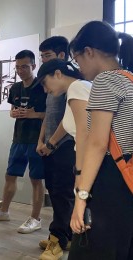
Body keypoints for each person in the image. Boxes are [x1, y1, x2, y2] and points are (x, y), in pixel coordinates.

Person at [67, 21, 133, 260]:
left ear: (89, 52)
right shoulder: (129, 79)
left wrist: (80, 198)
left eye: (78, 59)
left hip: (111, 180)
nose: (79, 67)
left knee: (93, 249)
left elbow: (97, 143)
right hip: (129, 180)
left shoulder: (105, 82)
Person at [36, 58, 92, 260]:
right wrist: (50, 144)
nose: (45, 89)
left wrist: (79, 172)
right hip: (84, 157)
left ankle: (62, 242)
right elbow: (68, 124)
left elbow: (85, 134)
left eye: (45, 83)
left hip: (88, 160)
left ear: (58, 74)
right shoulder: (75, 90)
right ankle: (67, 240)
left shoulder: (77, 88)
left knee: (68, 197)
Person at [0, 50, 47, 235]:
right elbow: (12, 110)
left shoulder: (43, 85)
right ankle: (4, 211)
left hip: (37, 139)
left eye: (24, 66)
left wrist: (34, 114)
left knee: (36, 179)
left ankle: (35, 219)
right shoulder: (15, 88)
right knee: (10, 175)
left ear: (33, 65)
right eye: (17, 67)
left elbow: (51, 114)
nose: (20, 70)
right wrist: (13, 113)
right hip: (19, 138)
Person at [35, 36, 77, 258]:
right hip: (50, 146)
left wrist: (51, 143)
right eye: (42, 56)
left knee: (62, 194)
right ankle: (64, 236)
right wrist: (42, 141)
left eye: (47, 56)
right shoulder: (53, 87)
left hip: (65, 147)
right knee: (56, 192)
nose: (44, 61)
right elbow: (47, 117)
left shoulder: (71, 86)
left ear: (62, 57)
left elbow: (68, 121)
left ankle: (57, 240)